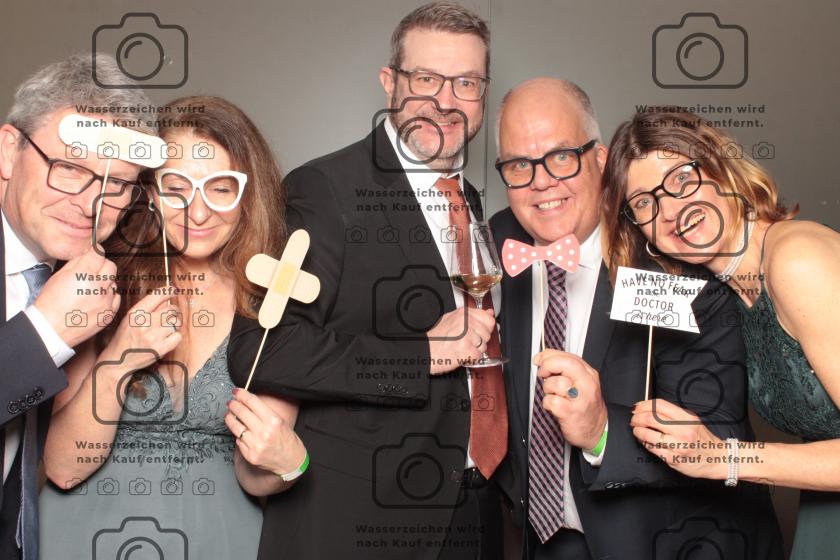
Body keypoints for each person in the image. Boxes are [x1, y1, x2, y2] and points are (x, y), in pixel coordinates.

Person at [226, 2, 506, 559]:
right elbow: (262, 348)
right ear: (389, 83)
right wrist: (419, 356)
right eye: (426, 79)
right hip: (360, 519)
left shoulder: (471, 201)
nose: (446, 100)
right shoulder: (325, 189)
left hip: (476, 511)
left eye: (466, 82)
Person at [488, 79, 783, 559]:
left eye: (561, 156)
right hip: (545, 544)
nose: (541, 181)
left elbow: (721, 436)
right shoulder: (500, 238)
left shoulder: (676, 259)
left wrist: (604, 431)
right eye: (520, 164)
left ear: (601, 160)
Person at [38, 96, 307, 558]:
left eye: (220, 188)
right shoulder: (101, 281)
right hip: (86, 535)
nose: (197, 213)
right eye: (177, 187)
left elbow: (252, 476)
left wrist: (289, 464)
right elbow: (64, 467)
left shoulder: (274, 303)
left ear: (248, 194)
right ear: (147, 191)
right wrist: (119, 359)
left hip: (215, 539)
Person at [603, 108, 840, 559]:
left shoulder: (796, 259)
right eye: (645, 203)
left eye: (681, 179)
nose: (671, 211)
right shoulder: (733, 296)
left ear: (721, 168)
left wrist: (723, 458)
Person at [0, 54, 154, 560]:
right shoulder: (62, 306)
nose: (90, 205)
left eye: (116, 185)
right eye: (69, 168)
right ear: (8, 151)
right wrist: (46, 332)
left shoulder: (81, 280)